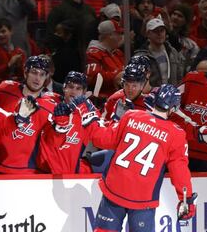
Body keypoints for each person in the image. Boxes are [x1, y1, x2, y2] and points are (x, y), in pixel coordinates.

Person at [70, 84, 197, 231]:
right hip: (143, 198)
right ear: (174, 108)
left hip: (114, 190)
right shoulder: (176, 134)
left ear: (154, 99)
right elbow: (179, 170)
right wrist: (185, 199)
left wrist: (89, 117)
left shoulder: (131, 115)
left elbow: (103, 139)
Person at [0, 55, 58, 174]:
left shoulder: (51, 105)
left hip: (25, 171)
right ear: (25, 72)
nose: (37, 78)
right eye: (34, 72)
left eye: (42, 74)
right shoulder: (5, 89)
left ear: (47, 77)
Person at [37, 71, 95, 174]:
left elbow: (101, 137)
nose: (74, 91)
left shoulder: (87, 116)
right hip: (43, 174)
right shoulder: (49, 104)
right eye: (71, 87)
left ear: (84, 92)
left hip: (69, 175)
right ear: (64, 88)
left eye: (78, 88)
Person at [134, 18, 184, 88]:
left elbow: (179, 75)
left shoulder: (173, 52)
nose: (159, 34)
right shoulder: (141, 57)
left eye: (162, 30)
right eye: (155, 31)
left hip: (172, 95)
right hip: (152, 96)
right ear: (148, 34)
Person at [86, 20, 125, 102]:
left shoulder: (118, 53)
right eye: (118, 34)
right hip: (102, 101)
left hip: (120, 98)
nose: (121, 37)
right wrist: (115, 76)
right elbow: (92, 79)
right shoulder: (93, 53)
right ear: (109, 35)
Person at [0, 18, 26, 88]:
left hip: (17, 88)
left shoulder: (19, 52)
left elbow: (24, 75)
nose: (0, 35)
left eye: (3, 31)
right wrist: (9, 64)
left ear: (11, 31)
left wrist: (19, 66)